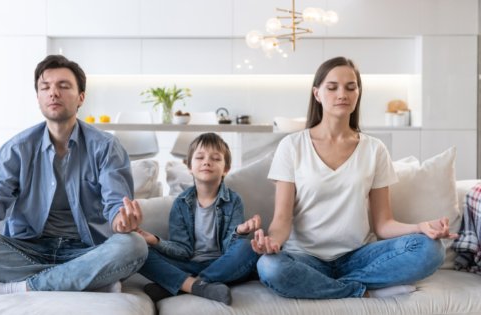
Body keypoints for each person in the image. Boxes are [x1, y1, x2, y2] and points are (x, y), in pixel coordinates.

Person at [0, 54, 148, 294]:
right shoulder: (16, 149)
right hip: (26, 250)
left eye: (64, 86)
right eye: (46, 87)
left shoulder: (106, 147)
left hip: (87, 250)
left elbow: (117, 208)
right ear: (38, 98)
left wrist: (122, 221)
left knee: (133, 245)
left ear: (81, 97)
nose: (53, 93)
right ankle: (84, 279)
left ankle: (17, 287)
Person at [251, 56, 456, 299]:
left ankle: (325, 287)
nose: (342, 94)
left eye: (351, 87)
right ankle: (362, 290)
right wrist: (272, 242)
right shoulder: (292, 146)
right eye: (332, 87)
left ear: (358, 93)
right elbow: (282, 219)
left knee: (430, 250)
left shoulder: (374, 148)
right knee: (269, 266)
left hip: (359, 256)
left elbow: (383, 224)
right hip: (305, 258)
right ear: (317, 93)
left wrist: (420, 227)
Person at [138, 133, 260, 305]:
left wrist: (239, 232)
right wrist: (155, 241)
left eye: (216, 158)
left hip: (223, 264)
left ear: (226, 168)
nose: (206, 162)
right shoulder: (181, 203)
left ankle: (186, 285)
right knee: (140, 252)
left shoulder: (233, 201)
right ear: (189, 166)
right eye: (200, 157)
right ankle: (198, 285)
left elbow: (229, 249)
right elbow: (183, 250)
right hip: (188, 264)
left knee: (248, 247)